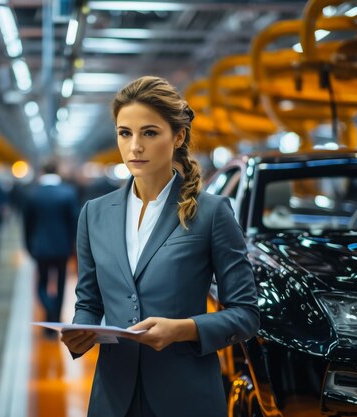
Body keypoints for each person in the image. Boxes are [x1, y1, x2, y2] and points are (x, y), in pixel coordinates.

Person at [61, 76, 259, 417]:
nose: (134, 146)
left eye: (149, 133)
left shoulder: (211, 213)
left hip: (185, 395)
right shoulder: (94, 214)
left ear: (178, 136)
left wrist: (184, 329)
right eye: (125, 133)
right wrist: (81, 329)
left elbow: (246, 314)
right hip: (113, 396)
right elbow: (89, 301)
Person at [23, 159, 79, 334]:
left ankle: (49, 312)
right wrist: (74, 247)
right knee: (61, 282)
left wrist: (28, 246)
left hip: (40, 247)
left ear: (42, 172)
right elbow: (73, 222)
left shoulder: (33, 194)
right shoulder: (68, 193)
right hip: (62, 247)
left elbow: (27, 225)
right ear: (58, 172)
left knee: (42, 284)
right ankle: (55, 316)